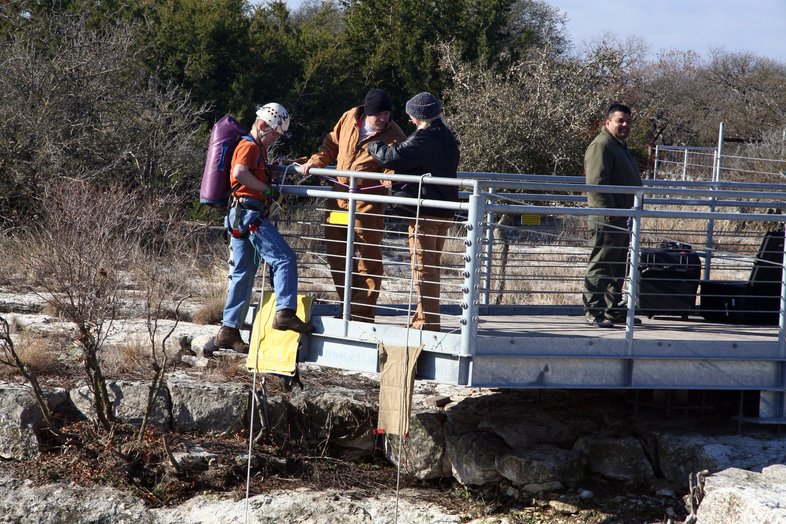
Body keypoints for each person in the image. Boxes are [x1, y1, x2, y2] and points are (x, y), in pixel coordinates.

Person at [300, 89, 406, 322]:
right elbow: (331, 144)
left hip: (367, 205)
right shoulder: (349, 117)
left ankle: (361, 314)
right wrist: (316, 161)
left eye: (387, 114)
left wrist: (391, 180)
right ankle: (347, 305)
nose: (383, 119)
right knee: (337, 255)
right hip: (338, 202)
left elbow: (395, 165)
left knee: (368, 259)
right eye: (378, 114)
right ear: (366, 113)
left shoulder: (394, 133)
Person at [215, 103, 314, 353]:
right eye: (274, 134)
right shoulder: (249, 146)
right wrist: (268, 190)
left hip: (239, 215)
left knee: (243, 272)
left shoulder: (255, 147)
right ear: (262, 126)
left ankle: (228, 330)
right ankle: (285, 312)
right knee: (284, 259)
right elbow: (239, 173)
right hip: (249, 213)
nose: (274, 139)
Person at [368, 92, 460, 331]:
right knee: (430, 267)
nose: (410, 121)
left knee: (423, 269)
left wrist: (374, 144)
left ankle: (426, 323)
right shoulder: (446, 135)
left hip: (426, 214)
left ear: (420, 117)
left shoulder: (426, 136)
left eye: (412, 117)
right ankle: (424, 318)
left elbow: (392, 158)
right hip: (443, 211)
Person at [582, 103, 643, 328]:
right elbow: (597, 184)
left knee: (618, 266)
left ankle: (613, 309)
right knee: (601, 264)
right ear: (607, 123)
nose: (625, 125)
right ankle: (593, 310)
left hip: (623, 217)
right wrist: (609, 214)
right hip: (608, 218)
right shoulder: (602, 145)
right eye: (620, 121)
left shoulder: (619, 145)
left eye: (628, 121)